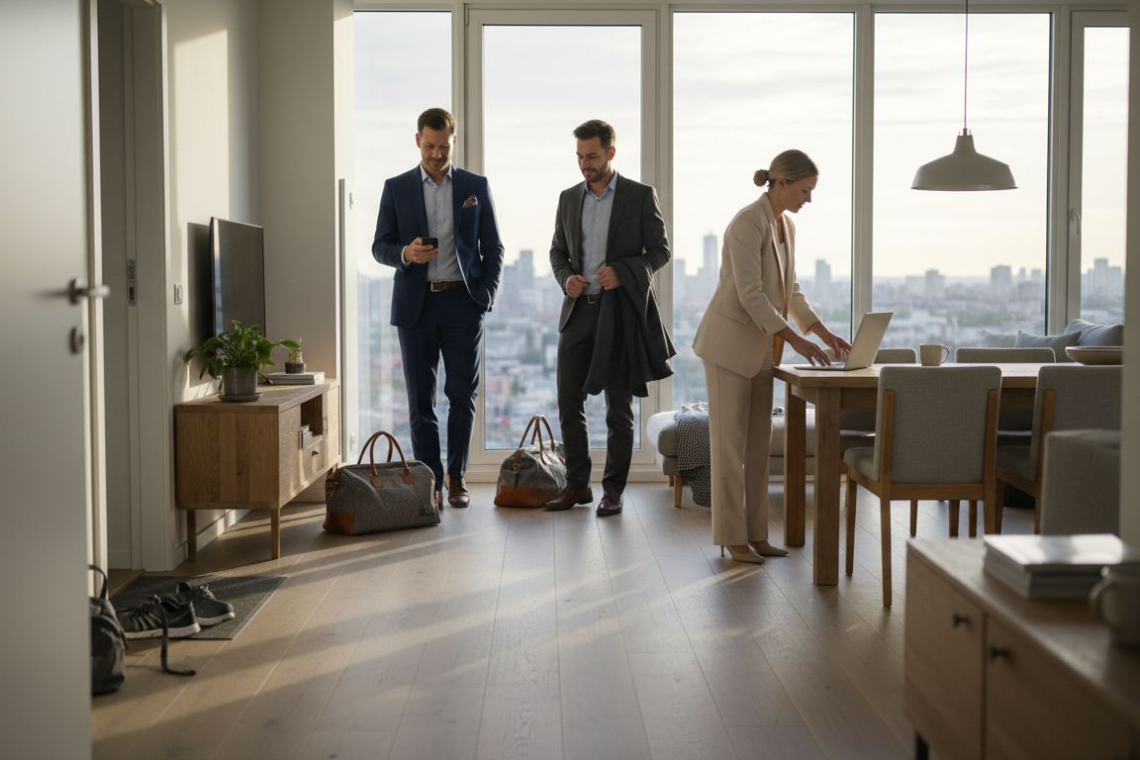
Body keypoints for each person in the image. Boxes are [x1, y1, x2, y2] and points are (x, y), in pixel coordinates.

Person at [692, 149, 852, 563]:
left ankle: (757, 534)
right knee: (729, 450)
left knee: (759, 448)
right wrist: (798, 342)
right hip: (730, 346)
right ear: (780, 183)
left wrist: (821, 330)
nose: (809, 199)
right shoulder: (748, 222)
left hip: (764, 347)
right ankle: (731, 537)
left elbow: (789, 290)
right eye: (805, 190)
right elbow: (751, 295)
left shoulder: (786, 226)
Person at [371, 107, 505, 509]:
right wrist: (406, 254)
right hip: (416, 305)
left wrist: (486, 294)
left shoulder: (474, 186)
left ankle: (457, 479)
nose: (436, 153)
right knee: (420, 400)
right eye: (429, 146)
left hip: (463, 305)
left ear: (454, 141)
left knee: (461, 395)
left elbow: (493, 247)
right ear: (417, 141)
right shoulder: (396, 188)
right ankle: (430, 481)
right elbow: (380, 246)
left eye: (443, 146)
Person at [544, 119, 676, 517]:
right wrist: (566, 278)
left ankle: (613, 490)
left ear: (611, 153)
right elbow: (557, 252)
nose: (585, 164)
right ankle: (577, 485)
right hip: (578, 312)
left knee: (619, 407)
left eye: (593, 156)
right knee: (569, 401)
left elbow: (660, 251)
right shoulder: (568, 198)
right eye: (580, 157)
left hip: (620, 315)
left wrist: (624, 270)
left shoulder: (639, 196)